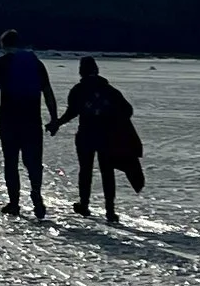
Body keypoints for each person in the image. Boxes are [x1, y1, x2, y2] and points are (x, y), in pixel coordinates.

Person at [0, 28, 60, 220]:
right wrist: (54, 118)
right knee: (33, 162)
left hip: (9, 121)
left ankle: (14, 203)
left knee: (11, 162)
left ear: (2, 45)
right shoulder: (36, 64)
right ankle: (36, 194)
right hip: (32, 120)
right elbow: (48, 92)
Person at [53, 55, 139, 221]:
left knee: (85, 170)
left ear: (81, 71)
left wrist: (57, 123)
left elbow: (72, 112)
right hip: (107, 136)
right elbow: (127, 110)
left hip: (86, 135)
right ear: (96, 70)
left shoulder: (78, 90)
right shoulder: (110, 90)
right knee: (107, 172)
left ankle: (84, 205)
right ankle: (110, 211)